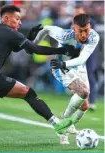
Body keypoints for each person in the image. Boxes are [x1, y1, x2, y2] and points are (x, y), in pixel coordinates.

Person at [0, 5, 81, 135]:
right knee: (29, 93)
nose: (20, 22)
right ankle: (57, 124)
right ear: (6, 18)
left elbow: (17, 47)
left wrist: (29, 36)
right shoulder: (10, 32)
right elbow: (34, 50)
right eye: (17, 19)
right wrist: (63, 50)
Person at [34, 13, 100, 144]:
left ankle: (66, 124)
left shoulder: (94, 36)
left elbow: (82, 59)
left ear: (90, 27)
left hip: (77, 66)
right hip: (61, 68)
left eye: (86, 30)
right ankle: (63, 128)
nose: (83, 35)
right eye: (80, 31)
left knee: (85, 106)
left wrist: (64, 63)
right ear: (73, 28)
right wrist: (32, 44)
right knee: (84, 92)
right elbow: (46, 29)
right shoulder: (64, 35)